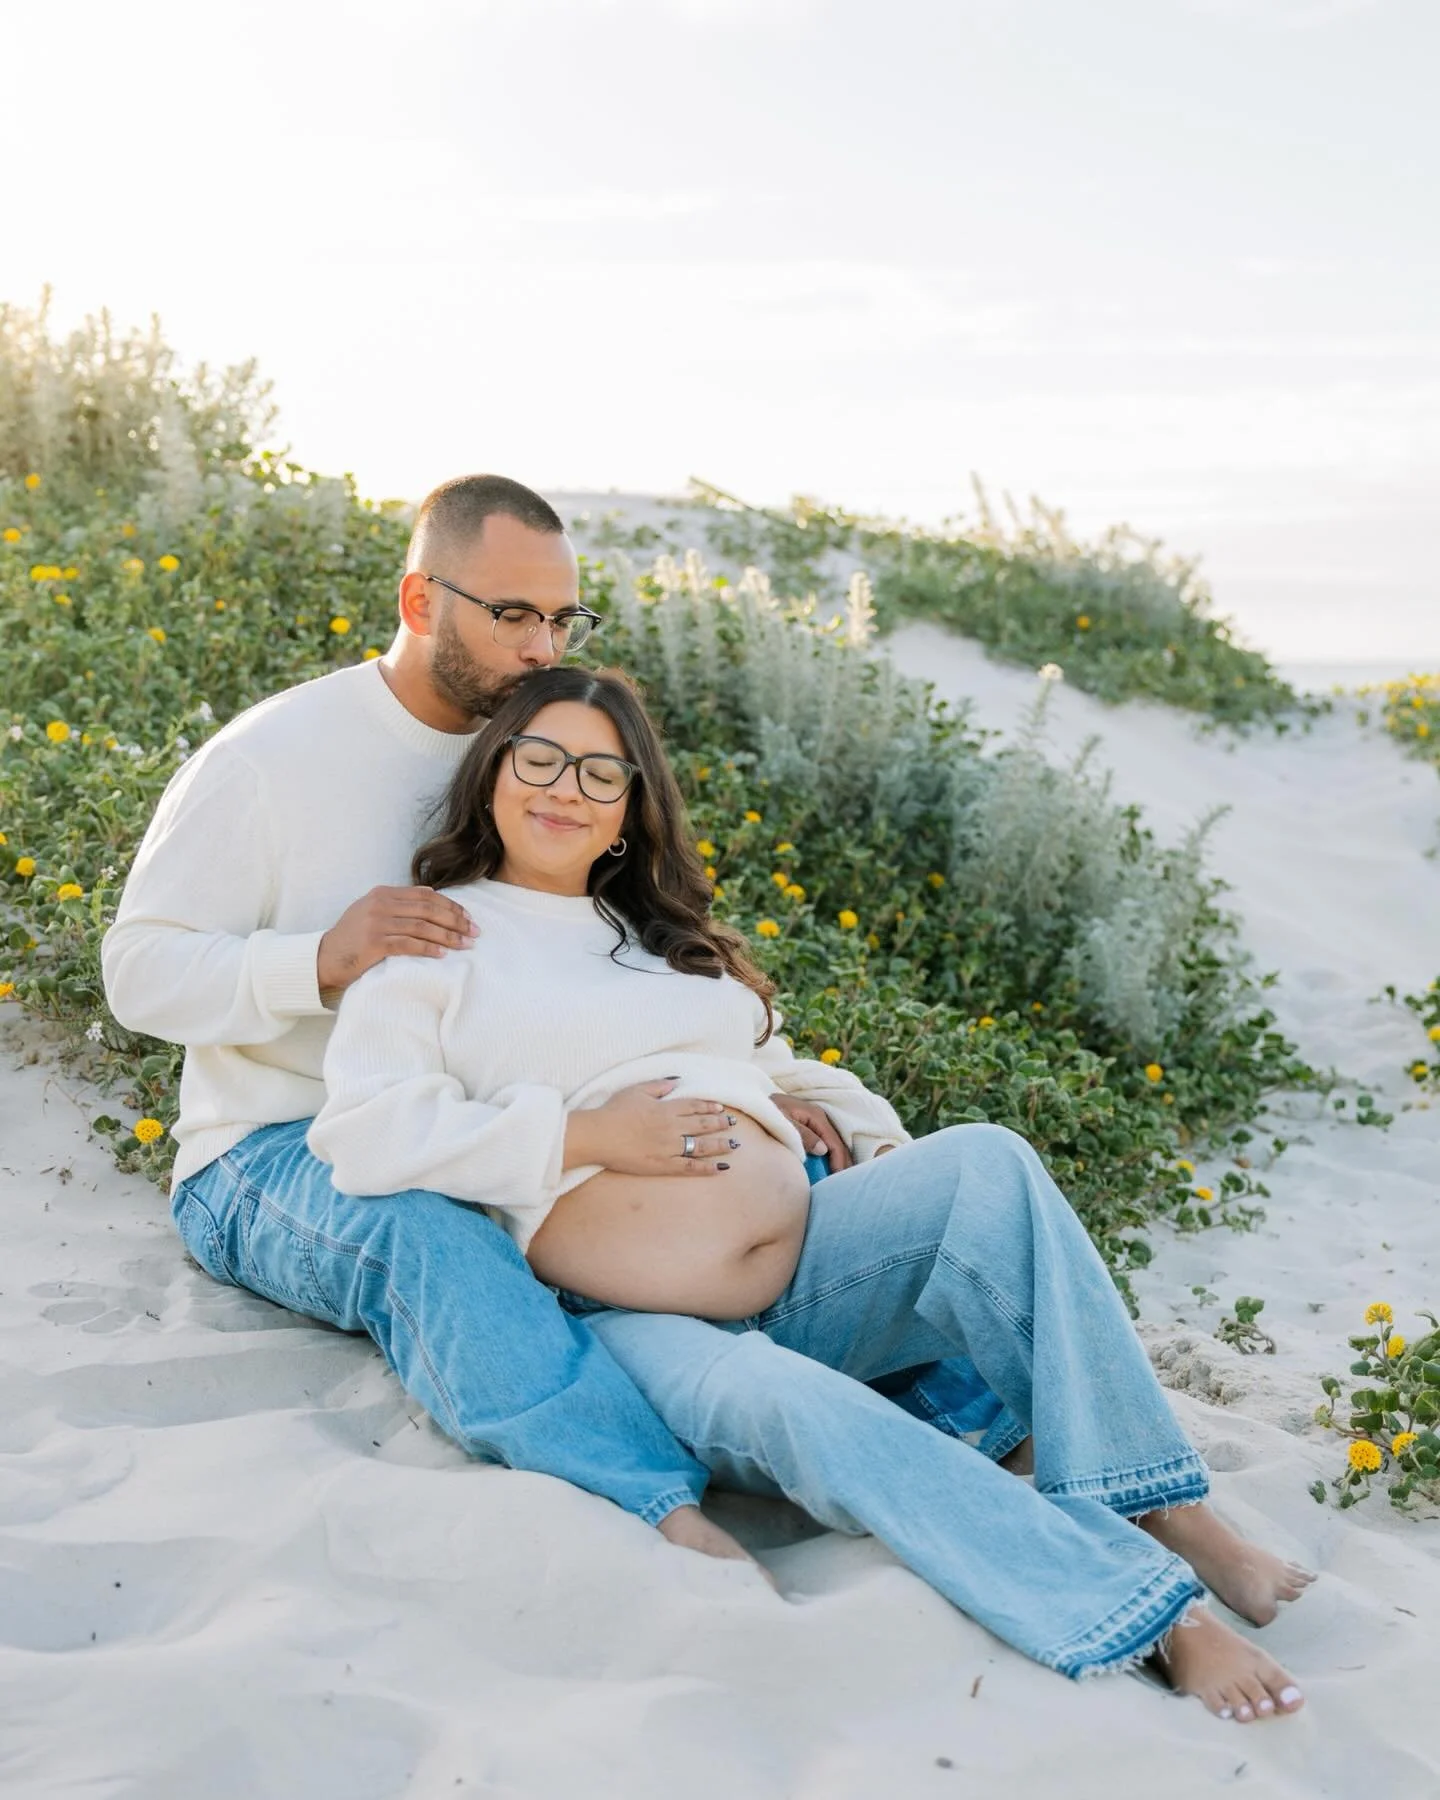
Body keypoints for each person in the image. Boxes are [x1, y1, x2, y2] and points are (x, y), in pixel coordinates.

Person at [309, 664, 1314, 1721]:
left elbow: (792, 1068)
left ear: (627, 812)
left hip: (804, 1270)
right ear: (495, 773)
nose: (566, 788)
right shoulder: (440, 941)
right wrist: (592, 1134)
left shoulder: (664, 948)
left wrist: (870, 1143)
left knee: (989, 1162)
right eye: (542, 759)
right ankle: (1155, 1617)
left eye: (601, 774)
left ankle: (1162, 1504)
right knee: (799, 1405)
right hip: (623, 1323)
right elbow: (365, 1134)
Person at [103, 473, 832, 1569]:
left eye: (561, 618)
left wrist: (777, 1084)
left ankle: (958, 1436)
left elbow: (626, 950)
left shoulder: (543, 752)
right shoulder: (269, 761)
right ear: (418, 602)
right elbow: (138, 970)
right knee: (427, 1232)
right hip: (285, 1145)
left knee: (780, 1173)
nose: (543, 648)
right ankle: (651, 1503)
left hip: (495, 1120)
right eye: (512, 616)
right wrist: (320, 960)